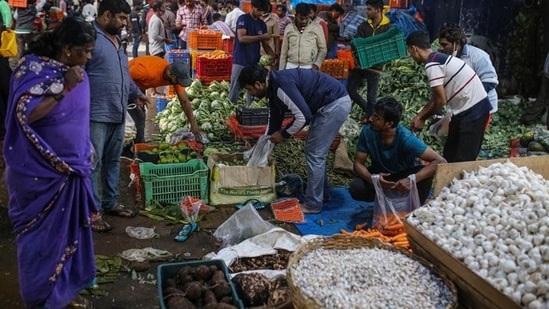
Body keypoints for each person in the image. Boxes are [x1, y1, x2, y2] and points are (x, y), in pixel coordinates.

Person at [4, 16, 98, 308]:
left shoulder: (72, 69)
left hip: (71, 170)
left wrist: (86, 145)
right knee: (41, 241)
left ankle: (62, 294)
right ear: (68, 48)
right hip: (40, 174)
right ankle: (39, 298)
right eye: (86, 51)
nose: (90, 56)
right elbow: (25, 114)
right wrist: (64, 88)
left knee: (67, 235)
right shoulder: (33, 70)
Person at [238, 64, 351, 213]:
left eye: (249, 89)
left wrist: (284, 134)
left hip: (334, 104)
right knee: (314, 151)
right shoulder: (273, 87)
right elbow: (275, 118)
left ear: (258, 84)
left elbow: (303, 117)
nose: (250, 94)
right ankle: (322, 194)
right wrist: (265, 141)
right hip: (327, 105)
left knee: (315, 153)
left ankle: (313, 204)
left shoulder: (281, 85)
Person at [86, 0, 148, 231]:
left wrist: (135, 94)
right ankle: (92, 212)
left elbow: (124, 74)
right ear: (106, 15)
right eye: (121, 18)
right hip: (95, 113)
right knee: (93, 164)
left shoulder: (118, 41)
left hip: (118, 111)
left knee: (112, 161)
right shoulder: (89, 37)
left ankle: (110, 202)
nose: (124, 23)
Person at [406, 30, 491, 163]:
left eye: (409, 51)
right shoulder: (437, 59)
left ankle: (463, 183)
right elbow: (436, 97)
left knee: (463, 160)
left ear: (414, 48)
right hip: (463, 110)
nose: (410, 55)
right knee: (450, 155)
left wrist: (422, 118)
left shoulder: (432, 64)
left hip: (474, 110)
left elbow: (441, 100)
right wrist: (420, 116)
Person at [349, 97, 447, 205]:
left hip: (402, 177)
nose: (371, 119)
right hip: (381, 175)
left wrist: (412, 180)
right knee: (356, 188)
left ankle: (414, 204)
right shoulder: (368, 131)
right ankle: (386, 203)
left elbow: (440, 161)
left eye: (376, 117)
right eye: (373, 115)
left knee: (425, 175)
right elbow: (358, 164)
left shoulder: (406, 139)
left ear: (389, 124)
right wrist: (372, 179)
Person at [128, 56, 201, 143]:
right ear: (169, 74)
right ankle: (132, 146)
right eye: (178, 80)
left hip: (137, 86)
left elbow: (184, 101)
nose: (179, 83)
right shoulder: (146, 71)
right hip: (123, 84)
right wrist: (136, 95)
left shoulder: (175, 76)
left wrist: (193, 124)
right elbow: (123, 77)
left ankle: (137, 144)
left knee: (139, 115)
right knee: (134, 118)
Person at [438, 25, 499, 115]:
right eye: (440, 45)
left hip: (481, 107)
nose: (441, 48)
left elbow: (490, 82)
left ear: (457, 43)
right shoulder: (446, 58)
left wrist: (469, 99)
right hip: (460, 107)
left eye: (445, 45)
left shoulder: (478, 56)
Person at [347, 0, 392, 123]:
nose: (367, 12)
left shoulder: (388, 27)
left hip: (375, 67)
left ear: (378, 10)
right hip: (360, 65)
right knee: (350, 90)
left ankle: (368, 117)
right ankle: (367, 109)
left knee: (372, 97)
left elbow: (389, 45)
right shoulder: (363, 26)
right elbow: (357, 43)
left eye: (369, 9)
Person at [228, 0, 275, 105]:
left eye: (262, 12)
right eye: (259, 11)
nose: (260, 14)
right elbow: (242, 38)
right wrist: (261, 36)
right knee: (236, 87)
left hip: (254, 62)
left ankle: (251, 111)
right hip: (241, 60)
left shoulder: (261, 24)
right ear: (253, 7)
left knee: (253, 90)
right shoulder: (243, 19)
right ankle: (230, 111)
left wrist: (272, 55)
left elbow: (265, 44)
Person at [279, 2, 326, 70]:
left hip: (309, 66)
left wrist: (317, 64)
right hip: (291, 65)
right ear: (295, 15)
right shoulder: (289, 28)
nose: (304, 21)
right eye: (301, 18)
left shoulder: (317, 28)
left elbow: (323, 49)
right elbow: (284, 52)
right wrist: (281, 70)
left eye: (306, 18)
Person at [520, 52, 549, 125]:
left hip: (547, 75)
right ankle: (527, 118)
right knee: (543, 99)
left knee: (542, 99)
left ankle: (527, 118)